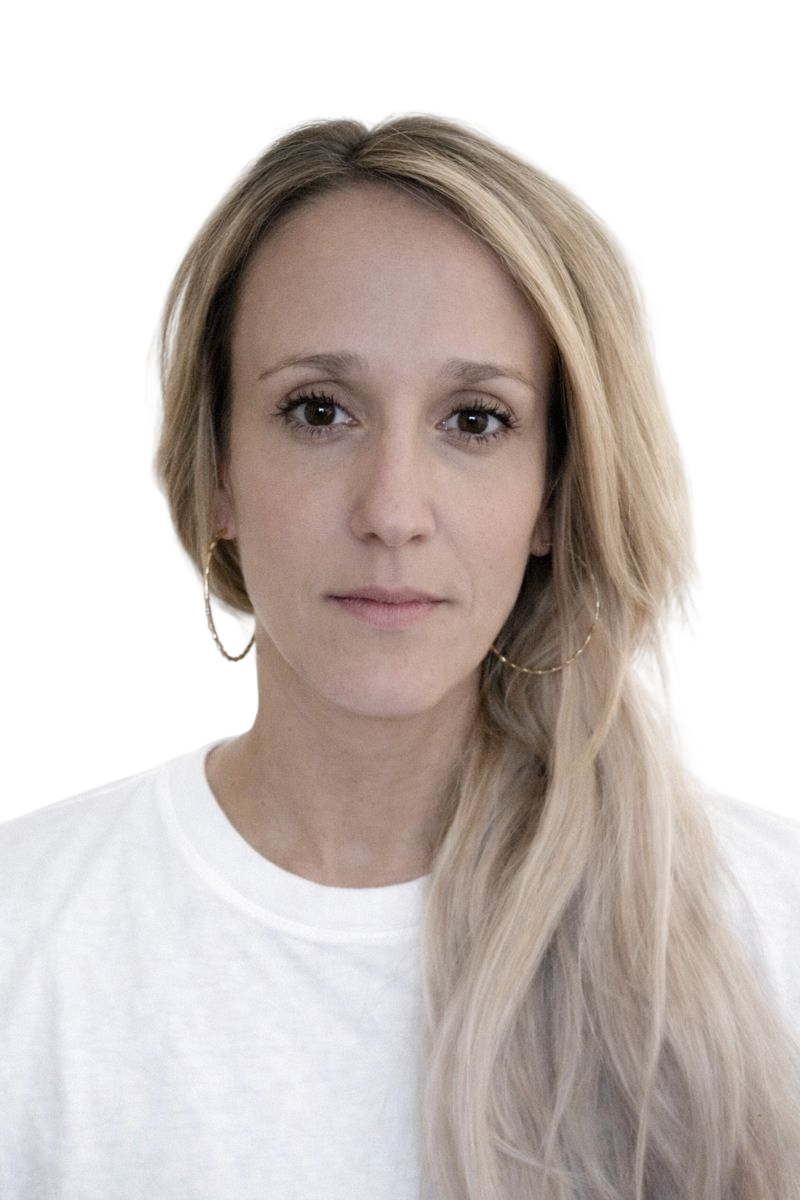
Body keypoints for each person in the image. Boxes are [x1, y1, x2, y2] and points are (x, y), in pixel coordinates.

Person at [1, 112, 798, 1200]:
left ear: (553, 493)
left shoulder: (768, 922)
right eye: (318, 410)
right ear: (214, 467)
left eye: (474, 420)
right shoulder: (25, 927)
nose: (391, 511)